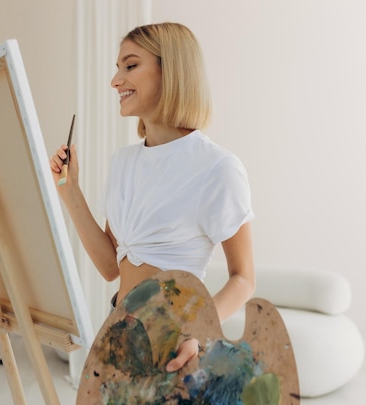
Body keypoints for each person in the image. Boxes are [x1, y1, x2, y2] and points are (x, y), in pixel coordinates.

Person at [49, 22, 255, 373]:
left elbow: (244, 279)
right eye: (117, 68)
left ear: (171, 71)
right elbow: (110, 266)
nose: (116, 80)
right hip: (118, 337)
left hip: (174, 346)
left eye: (130, 66)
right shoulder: (124, 162)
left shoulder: (217, 168)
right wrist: (70, 191)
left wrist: (198, 332)